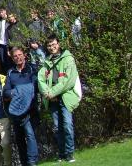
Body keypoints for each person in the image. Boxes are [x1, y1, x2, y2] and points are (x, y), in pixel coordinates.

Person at [37, 35, 81, 163]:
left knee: (67, 125)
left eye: (54, 44)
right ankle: (61, 154)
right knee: (57, 127)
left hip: (65, 98)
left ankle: (69, 153)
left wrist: (53, 92)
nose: (52, 47)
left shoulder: (68, 59)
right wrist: (48, 93)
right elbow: (40, 79)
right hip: (53, 100)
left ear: (59, 44)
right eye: (49, 45)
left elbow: (69, 80)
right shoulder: (46, 62)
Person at [4, 47, 39, 166]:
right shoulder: (10, 72)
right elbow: (6, 92)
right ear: (12, 58)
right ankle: (24, 162)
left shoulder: (31, 69)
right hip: (16, 111)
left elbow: (35, 87)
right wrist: (18, 92)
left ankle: (32, 161)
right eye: (15, 56)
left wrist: (19, 91)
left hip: (30, 109)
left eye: (20, 55)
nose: (18, 57)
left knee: (30, 134)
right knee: (19, 138)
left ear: (24, 55)